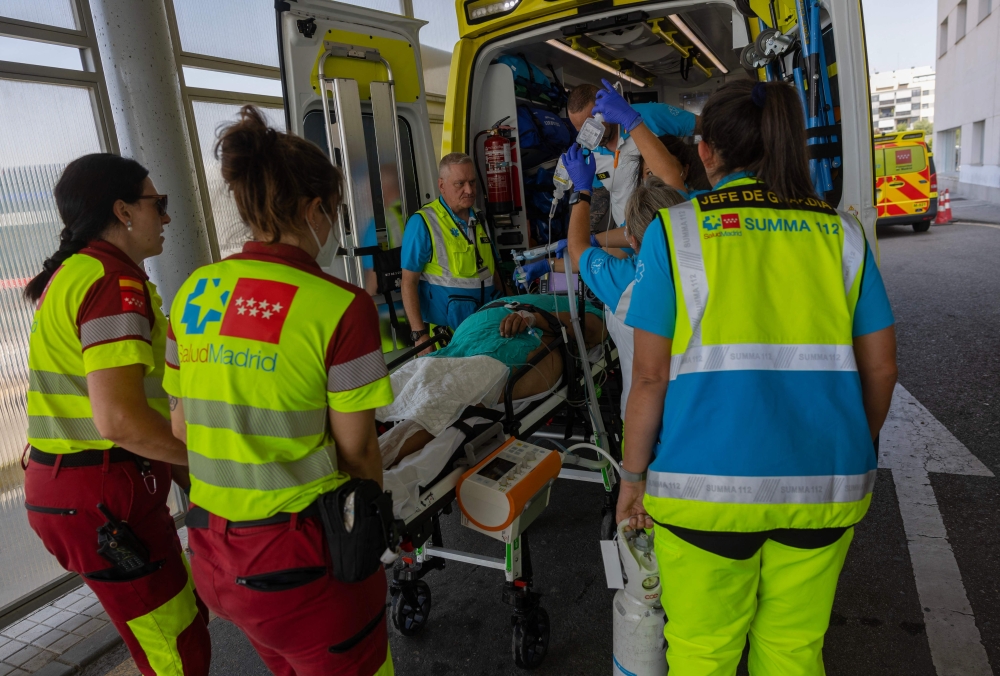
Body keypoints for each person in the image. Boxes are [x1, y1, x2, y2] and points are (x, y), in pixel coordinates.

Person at [618, 79, 899, 675]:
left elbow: (648, 379)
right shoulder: (843, 234)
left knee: (703, 655)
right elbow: (881, 366)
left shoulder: (677, 232)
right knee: (794, 652)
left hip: (702, 492)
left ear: (707, 151)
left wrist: (634, 477)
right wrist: (851, 443)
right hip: (825, 484)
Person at [163, 106, 395, 676]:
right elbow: (359, 452)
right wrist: (365, 534)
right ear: (316, 209)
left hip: (217, 561)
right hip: (303, 569)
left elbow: (181, 426)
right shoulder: (341, 307)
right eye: (333, 213)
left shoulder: (195, 291)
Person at [22, 154, 211, 676]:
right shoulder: (111, 284)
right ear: (123, 211)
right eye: (159, 204)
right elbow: (122, 421)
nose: (167, 218)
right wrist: (216, 465)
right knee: (177, 649)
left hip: (80, 489)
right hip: (103, 497)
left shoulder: (76, 272)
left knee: (175, 626)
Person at [400, 153, 501, 346]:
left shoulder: (479, 219)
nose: (469, 190)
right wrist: (419, 335)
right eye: (460, 183)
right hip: (445, 337)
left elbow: (493, 273)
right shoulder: (423, 223)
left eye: (472, 182)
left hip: (485, 328)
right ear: (441, 185)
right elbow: (408, 283)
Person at [567, 80, 699, 227]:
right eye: (581, 131)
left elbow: (708, 126)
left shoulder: (649, 116)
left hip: (673, 223)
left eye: (592, 127)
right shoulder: (588, 151)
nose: (590, 137)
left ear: (604, 112)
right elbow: (602, 193)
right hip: (628, 237)